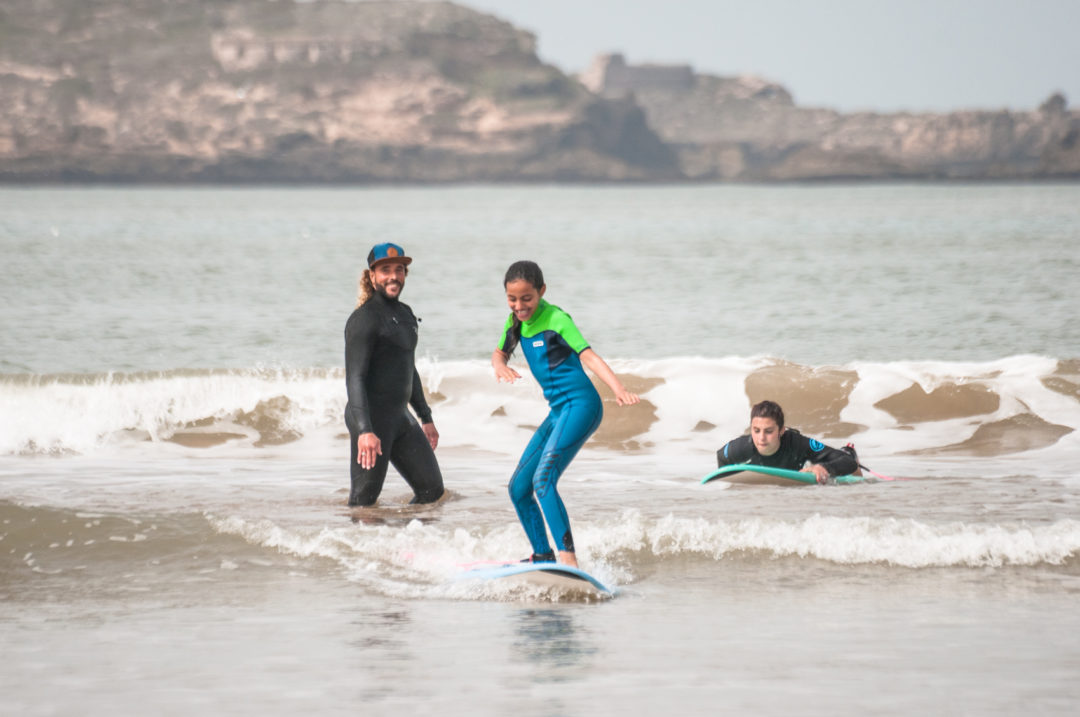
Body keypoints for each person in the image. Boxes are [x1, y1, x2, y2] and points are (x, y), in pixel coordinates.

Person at [491, 260, 639, 567]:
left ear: (542, 292)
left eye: (527, 298)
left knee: (544, 480)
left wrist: (618, 389)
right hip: (559, 411)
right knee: (519, 488)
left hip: (582, 405)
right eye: (512, 299)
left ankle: (569, 562)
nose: (519, 306)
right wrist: (499, 365)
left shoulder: (557, 319)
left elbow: (588, 355)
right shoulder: (515, 322)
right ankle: (542, 555)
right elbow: (500, 350)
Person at [344, 242, 444, 507]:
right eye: (385, 269)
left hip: (400, 418)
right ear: (372, 275)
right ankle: (352, 546)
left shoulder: (406, 315)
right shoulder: (364, 320)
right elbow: (355, 378)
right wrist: (364, 430)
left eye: (399, 270)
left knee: (432, 491)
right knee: (364, 501)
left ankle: (404, 543)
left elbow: (408, 369)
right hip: (370, 419)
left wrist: (426, 417)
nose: (393, 276)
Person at [716, 400, 861, 484]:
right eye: (756, 430)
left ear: (781, 430)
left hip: (802, 466)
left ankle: (848, 449)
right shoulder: (741, 447)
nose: (761, 438)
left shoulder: (797, 444)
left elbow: (848, 462)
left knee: (853, 469)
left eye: (769, 431)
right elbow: (721, 457)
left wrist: (823, 468)